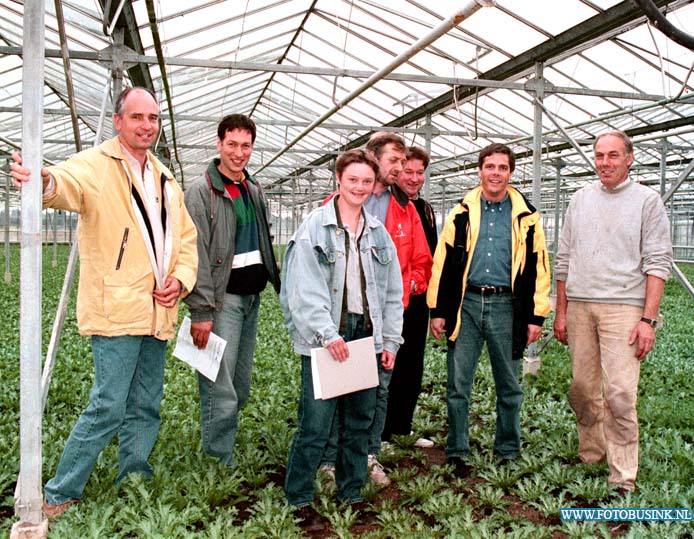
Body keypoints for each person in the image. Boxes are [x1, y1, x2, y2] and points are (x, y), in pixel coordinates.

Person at [10, 86, 198, 518]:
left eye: (152, 118)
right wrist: (44, 181)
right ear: (118, 121)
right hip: (117, 309)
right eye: (137, 117)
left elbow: (186, 239)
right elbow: (65, 184)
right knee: (109, 403)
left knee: (146, 402)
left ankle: (133, 475)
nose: (146, 126)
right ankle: (60, 490)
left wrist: (181, 280)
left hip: (158, 308)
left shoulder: (164, 176)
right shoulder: (98, 165)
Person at [280, 149, 404, 530]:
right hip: (326, 336)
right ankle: (298, 496)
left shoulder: (378, 233)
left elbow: (391, 292)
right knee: (316, 422)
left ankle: (351, 491)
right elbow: (303, 290)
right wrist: (327, 334)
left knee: (360, 420)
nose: (360, 188)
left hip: (365, 334)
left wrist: (391, 342)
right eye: (353, 180)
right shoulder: (315, 228)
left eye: (367, 181)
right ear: (339, 179)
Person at [553, 130, 672, 494]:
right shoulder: (580, 199)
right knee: (582, 388)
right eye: (599, 155)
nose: (605, 162)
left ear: (629, 158)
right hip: (581, 304)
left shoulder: (647, 202)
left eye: (613, 155)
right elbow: (564, 259)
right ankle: (592, 451)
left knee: (619, 392)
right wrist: (561, 312)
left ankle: (623, 475)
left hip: (624, 306)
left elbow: (658, 263)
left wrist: (648, 320)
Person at [427, 142, 551, 477]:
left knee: (509, 385)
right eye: (490, 166)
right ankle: (457, 450)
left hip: (506, 307)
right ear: (480, 170)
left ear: (510, 173)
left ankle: (508, 449)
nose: (495, 173)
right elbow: (444, 261)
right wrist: (437, 309)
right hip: (466, 305)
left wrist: (536, 315)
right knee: (458, 384)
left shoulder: (526, 217)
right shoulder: (462, 214)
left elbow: (539, 266)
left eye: (502, 168)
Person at [320, 132, 431, 486]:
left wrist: (411, 284)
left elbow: (419, 257)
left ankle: (368, 456)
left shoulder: (404, 207)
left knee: (378, 388)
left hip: (383, 312)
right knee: (338, 386)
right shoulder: (339, 204)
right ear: (373, 158)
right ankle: (329, 459)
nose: (400, 168)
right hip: (346, 309)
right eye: (394, 161)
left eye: (403, 162)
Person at [182, 114, 281, 466]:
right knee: (218, 383)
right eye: (232, 144)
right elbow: (195, 255)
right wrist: (202, 311)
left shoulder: (253, 188)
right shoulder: (201, 192)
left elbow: (263, 242)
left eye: (246, 145)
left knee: (239, 383)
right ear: (219, 144)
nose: (239, 153)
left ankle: (223, 442)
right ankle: (217, 459)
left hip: (251, 298)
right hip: (223, 301)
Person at [383, 146, 438, 448]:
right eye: (409, 171)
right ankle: (382, 432)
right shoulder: (387, 204)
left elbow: (432, 255)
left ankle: (402, 425)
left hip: (418, 298)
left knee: (412, 362)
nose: (415, 178)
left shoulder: (426, 209)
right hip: (394, 297)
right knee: (390, 360)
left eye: (420, 173)